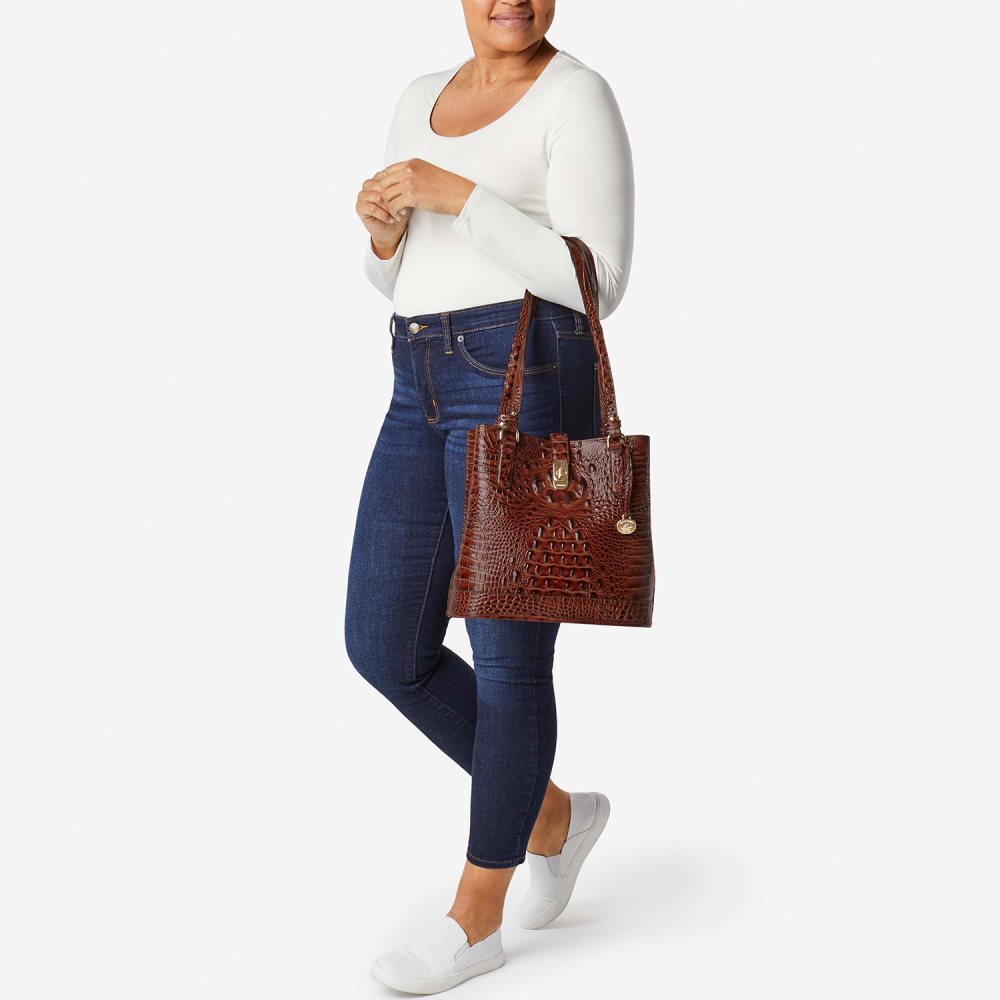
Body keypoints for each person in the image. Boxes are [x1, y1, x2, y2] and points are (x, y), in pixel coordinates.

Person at [346, 1, 634, 992]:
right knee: (383, 644)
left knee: (507, 657)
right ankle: (551, 816)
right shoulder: (418, 97)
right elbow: (400, 280)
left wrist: (460, 195)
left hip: (520, 379)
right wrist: (385, 236)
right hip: (417, 374)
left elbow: (596, 283)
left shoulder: (576, 96)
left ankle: (476, 918)